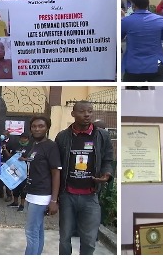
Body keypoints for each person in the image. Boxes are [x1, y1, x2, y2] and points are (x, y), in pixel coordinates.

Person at [56, 101, 114, 255]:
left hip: (91, 196)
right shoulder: (62, 137)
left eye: (89, 111)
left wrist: (106, 175)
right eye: (82, 111)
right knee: (64, 238)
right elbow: (57, 165)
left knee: (89, 240)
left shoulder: (102, 136)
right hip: (67, 195)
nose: (87, 115)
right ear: (73, 113)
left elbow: (108, 160)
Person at [24, 116, 61, 255]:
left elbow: (56, 173)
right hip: (32, 193)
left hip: (42, 195)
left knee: (31, 232)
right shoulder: (35, 145)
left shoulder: (51, 146)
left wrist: (53, 200)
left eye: (41, 126)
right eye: (34, 126)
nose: (37, 129)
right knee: (37, 230)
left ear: (47, 128)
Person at [121, 0, 163, 82]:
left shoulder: (126, 21)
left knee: (130, 95)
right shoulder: (160, 21)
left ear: (133, 5)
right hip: (156, 65)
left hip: (133, 67)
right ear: (148, 4)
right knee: (159, 95)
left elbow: (118, 39)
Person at [4, 132, 34, 210]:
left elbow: (33, 159)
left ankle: (22, 205)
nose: (23, 139)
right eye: (21, 138)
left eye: (24, 138)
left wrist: (25, 159)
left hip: (25, 171)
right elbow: (11, 156)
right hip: (14, 169)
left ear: (27, 139)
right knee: (15, 186)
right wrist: (5, 150)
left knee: (23, 188)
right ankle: (15, 202)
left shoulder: (31, 147)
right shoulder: (16, 146)